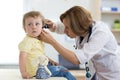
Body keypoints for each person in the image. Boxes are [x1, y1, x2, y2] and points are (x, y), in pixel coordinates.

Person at [40, 6, 120, 80]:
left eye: (67, 28)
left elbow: (76, 60)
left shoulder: (100, 33)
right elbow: (60, 27)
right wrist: (52, 26)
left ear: (77, 26)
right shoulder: (82, 30)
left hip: (112, 75)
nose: (64, 30)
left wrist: (52, 42)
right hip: (96, 73)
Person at [18, 11, 76, 80]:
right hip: (36, 70)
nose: (33, 27)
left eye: (37, 24)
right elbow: (22, 56)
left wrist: (51, 61)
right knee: (64, 70)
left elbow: (40, 55)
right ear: (24, 28)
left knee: (59, 67)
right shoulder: (28, 41)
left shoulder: (37, 40)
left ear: (42, 27)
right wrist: (23, 72)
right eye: (29, 24)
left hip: (40, 66)